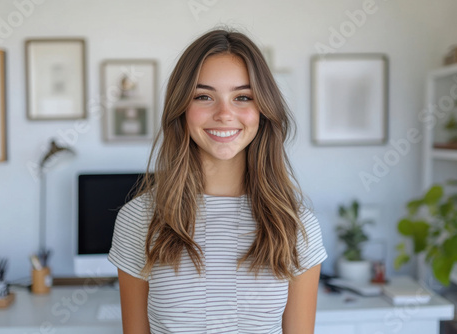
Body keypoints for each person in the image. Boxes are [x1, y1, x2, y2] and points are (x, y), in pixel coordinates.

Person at [108, 28, 328, 334]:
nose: (224, 114)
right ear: (181, 109)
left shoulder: (296, 225)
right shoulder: (138, 220)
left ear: (263, 110)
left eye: (242, 97)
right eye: (203, 96)